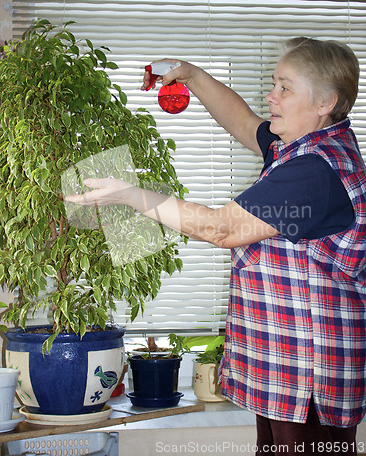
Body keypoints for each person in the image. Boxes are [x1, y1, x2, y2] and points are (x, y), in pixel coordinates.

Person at [65, 37, 366, 455]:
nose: (270, 95)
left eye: (285, 87)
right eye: (273, 84)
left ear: (325, 102)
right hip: (287, 371)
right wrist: (192, 74)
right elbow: (243, 122)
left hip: (309, 382)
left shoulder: (314, 173)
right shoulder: (298, 149)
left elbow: (220, 229)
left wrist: (131, 195)